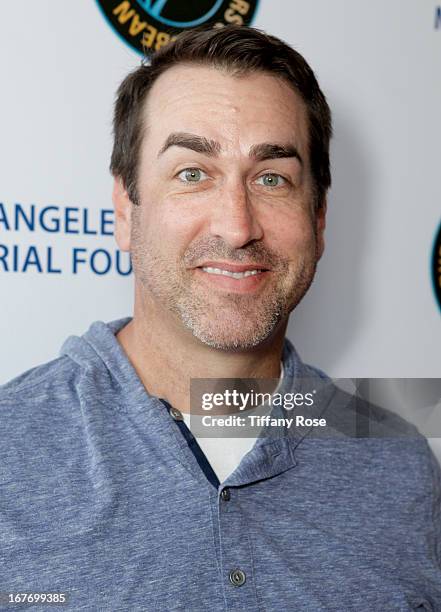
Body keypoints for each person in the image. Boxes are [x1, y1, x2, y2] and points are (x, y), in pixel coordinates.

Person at [1, 24, 440, 611]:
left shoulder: (399, 465)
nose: (237, 226)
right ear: (125, 212)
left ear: (320, 220)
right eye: (192, 174)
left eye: (272, 179)